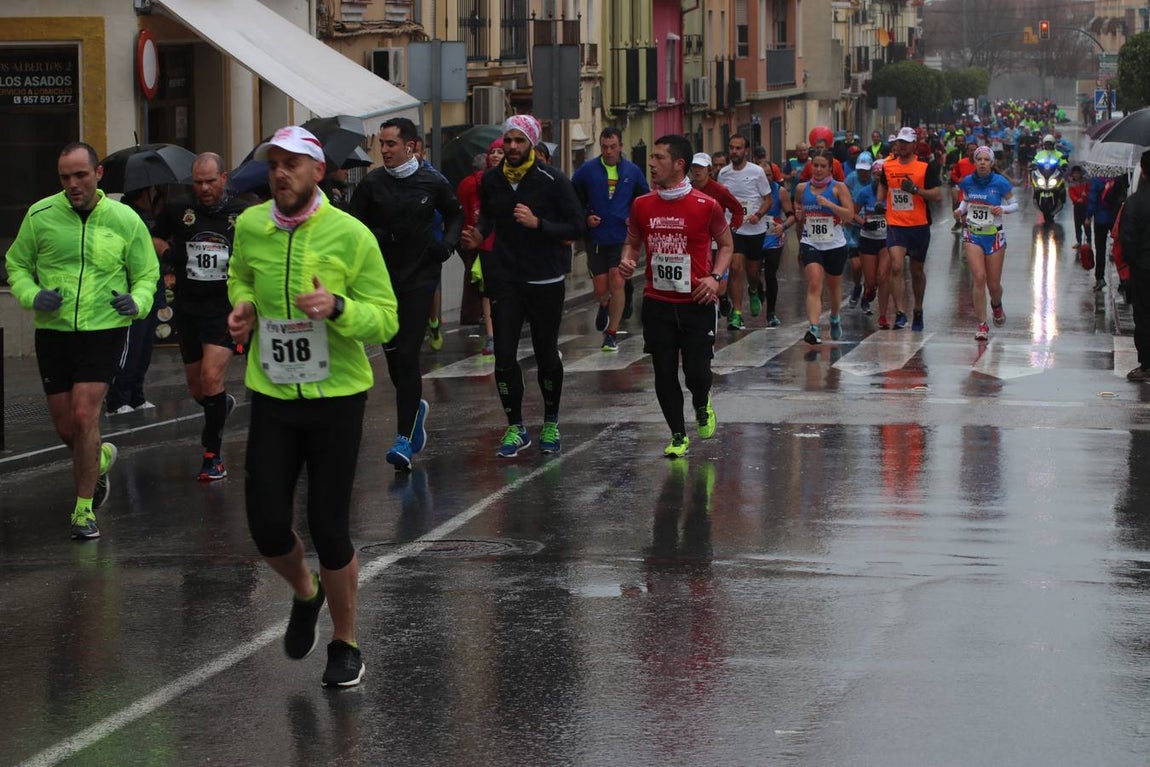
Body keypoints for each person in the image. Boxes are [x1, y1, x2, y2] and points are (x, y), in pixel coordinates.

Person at [227, 125, 399, 688]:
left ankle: (345, 642)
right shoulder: (250, 226)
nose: (280, 173)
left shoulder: (351, 235)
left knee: (328, 527)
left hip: (337, 399)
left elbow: (386, 319)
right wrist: (243, 307)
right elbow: (239, 276)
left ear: (318, 171)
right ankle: (306, 592)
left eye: (292, 164)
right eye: (274, 163)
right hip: (273, 394)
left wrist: (339, 307)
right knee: (266, 525)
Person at [5, 141, 159, 539]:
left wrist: (138, 301)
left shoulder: (124, 219)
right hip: (54, 333)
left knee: (83, 415)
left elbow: (147, 273)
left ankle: (83, 510)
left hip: (104, 329)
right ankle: (100, 458)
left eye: (80, 175)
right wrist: (31, 294)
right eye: (65, 177)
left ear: (98, 174)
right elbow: (16, 264)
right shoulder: (41, 215)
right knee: (65, 427)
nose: (73, 184)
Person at [459, 114, 584, 457]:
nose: (512, 146)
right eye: (508, 140)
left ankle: (551, 422)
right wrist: (479, 234)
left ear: (532, 143)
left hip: (544, 277)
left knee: (546, 354)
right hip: (505, 276)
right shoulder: (492, 179)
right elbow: (488, 216)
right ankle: (516, 427)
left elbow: (576, 226)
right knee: (503, 356)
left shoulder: (552, 180)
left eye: (519, 140)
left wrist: (538, 223)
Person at [350, 117, 463, 470]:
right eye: (381, 144)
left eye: (391, 144)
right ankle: (414, 410)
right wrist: (377, 236)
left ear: (410, 146)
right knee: (394, 358)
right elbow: (353, 227)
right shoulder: (372, 184)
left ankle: (403, 439)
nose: (383, 150)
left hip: (420, 279)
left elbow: (455, 215)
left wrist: (447, 246)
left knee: (408, 355)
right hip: (382, 282)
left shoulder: (433, 181)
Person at [618, 134, 733, 457]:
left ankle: (702, 401)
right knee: (664, 371)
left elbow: (726, 246)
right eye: (652, 157)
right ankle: (678, 435)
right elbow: (632, 242)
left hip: (697, 301)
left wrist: (715, 277)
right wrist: (627, 259)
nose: (652, 164)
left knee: (697, 373)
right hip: (658, 302)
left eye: (659, 158)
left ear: (679, 164)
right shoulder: (642, 205)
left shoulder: (706, 205)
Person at [152, 152, 251, 480]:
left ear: (224, 178)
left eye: (210, 181)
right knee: (198, 389)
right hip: (188, 307)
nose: (204, 188)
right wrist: (168, 253)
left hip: (223, 308)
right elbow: (154, 236)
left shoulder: (242, 212)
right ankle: (220, 405)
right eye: (198, 182)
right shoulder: (179, 209)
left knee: (211, 378)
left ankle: (212, 456)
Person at [571, 127, 650, 351]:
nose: (608, 151)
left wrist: (635, 219)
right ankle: (604, 303)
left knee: (617, 279)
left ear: (620, 147)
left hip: (622, 238)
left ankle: (612, 334)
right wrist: (586, 217)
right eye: (604, 147)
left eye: (613, 147)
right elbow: (572, 198)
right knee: (600, 288)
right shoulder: (587, 171)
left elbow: (644, 199)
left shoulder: (632, 171)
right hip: (597, 238)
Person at [106, 184, 166, 415]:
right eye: (153, 192)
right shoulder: (127, 217)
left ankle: (136, 395)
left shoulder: (146, 219)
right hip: (133, 296)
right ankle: (118, 399)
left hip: (150, 294)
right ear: (144, 193)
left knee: (144, 349)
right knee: (130, 348)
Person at [876, 126, 943, 331]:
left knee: (917, 272)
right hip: (896, 224)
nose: (902, 146)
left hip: (919, 225)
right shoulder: (888, 166)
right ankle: (900, 313)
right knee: (896, 267)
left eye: (906, 143)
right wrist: (879, 201)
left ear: (914, 145)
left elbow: (938, 195)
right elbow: (883, 184)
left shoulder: (925, 167)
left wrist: (916, 190)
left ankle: (918, 309)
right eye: (899, 142)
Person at [954, 146, 1018, 340]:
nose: (982, 162)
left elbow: (1015, 204)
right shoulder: (967, 181)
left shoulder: (1000, 182)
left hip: (994, 236)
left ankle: (996, 305)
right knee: (979, 278)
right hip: (972, 234)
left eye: (986, 159)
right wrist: (960, 211)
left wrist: (1002, 209)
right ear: (974, 162)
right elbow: (966, 201)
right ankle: (982, 324)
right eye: (979, 159)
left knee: (993, 285)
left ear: (991, 163)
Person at [794, 149, 855, 344]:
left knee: (833, 286)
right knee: (814, 283)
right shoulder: (802, 188)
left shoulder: (839, 188)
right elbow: (797, 205)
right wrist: (798, 212)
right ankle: (813, 327)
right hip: (810, 242)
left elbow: (849, 216)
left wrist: (830, 205)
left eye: (823, 166)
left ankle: (835, 317)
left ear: (830, 169)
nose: (818, 169)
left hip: (835, 244)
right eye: (815, 165)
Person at [717, 133, 772, 331]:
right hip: (734, 228)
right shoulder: (723, 173)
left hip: (755, 229)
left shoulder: (757, 172)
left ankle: (754, 289)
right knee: (735, 267)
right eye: (731, 147)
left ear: (746, 151)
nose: (734, 151)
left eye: (738, 148)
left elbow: (768, 200)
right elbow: (720, 201)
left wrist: (758, 214)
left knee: (752, 272)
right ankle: (737, 313)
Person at [457, 141, 503, 354]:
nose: (495, 155)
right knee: (487, 290)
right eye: (492, 152)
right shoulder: (481, 182)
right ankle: (492, 336)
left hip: (509, 244)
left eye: (500, 152)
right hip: (486, 242)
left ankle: (503, 332)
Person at [688, 152, 743, 318]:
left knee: (719, 284)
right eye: (694, 167)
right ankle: (711, 311)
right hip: (697, 244)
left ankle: (722, 296)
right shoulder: (687, 189)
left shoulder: (719, 190)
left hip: (718, 243)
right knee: (702, 280)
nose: (697, 171)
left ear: (709, 170)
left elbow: (738, 210)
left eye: (701, 167)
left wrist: (731, 230)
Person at [1119, 149, 1150, 382]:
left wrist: (1133, 265)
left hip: (1143, 269)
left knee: (1144, 316)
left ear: (1144, 171)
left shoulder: (1135, 202)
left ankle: (1146, 365)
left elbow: (1127, 240)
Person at [1087, 171, 1125, 291]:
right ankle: (1123, 279)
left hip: (1100, 219)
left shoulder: (1096, 180)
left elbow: (1092, 199)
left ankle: (1100, 278)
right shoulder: (1118, 178)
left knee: (1100, 249)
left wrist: (1088, 216)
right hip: (1115, 218)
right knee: (1120, 249)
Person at [1067, 165, 1091, 251]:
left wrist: (1086, 195)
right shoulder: (1071, 184)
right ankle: (1079, 241)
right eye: (1075, 173)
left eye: (1078, 173)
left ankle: (1089, 241)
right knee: (1077, 225)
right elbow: (1071, 194)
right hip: (1077, 206)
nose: (1076, 175)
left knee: (1087, 225)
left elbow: (1090, 191)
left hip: (1086, 205)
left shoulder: (1086, 182)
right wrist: (1077, 199)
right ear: (1072, 174)